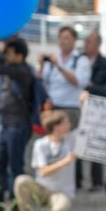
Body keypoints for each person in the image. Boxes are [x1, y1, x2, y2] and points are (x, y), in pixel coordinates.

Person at [0, 37, 35, 211]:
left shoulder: (22, 71)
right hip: (4, 124)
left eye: (10, 53)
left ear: (20, 56)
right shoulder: (10, 70)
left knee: (15, 167)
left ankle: (16, 205)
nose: (6, 56)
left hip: (17, 125)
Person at [38, 25, 90, 188]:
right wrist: (41, 65)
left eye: (67, 38)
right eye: (61, 38)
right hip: (53, 107)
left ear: (74, 40)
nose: (63, 41)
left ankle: (73, 180)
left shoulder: (80, 60)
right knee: (53, 143)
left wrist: (59, 67)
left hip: (70, 108)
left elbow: (78, 82)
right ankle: (53, 178)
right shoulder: (53, 59)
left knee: (69, 145)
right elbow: (41, 81)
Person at [14, 111, 77, 211]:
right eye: (66, 122)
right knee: (21, 181)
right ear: (56, 126)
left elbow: (86, 129)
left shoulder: (70, 140)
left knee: (59, 210)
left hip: (60, 191)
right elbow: (43, 172)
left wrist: (83, 104)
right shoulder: (40, 144)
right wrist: (65, 161)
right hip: (42, 189)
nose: (69, 125)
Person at [81, 30, 106, 191]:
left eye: (91, 41)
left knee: (95, 147)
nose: (87, 44)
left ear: (98, 44)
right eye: (86, 41)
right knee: (77, 143)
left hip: (98, 111)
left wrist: (92, 88)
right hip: (79, 106)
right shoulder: (78, 59)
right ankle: (77, 180)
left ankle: (97, 181)